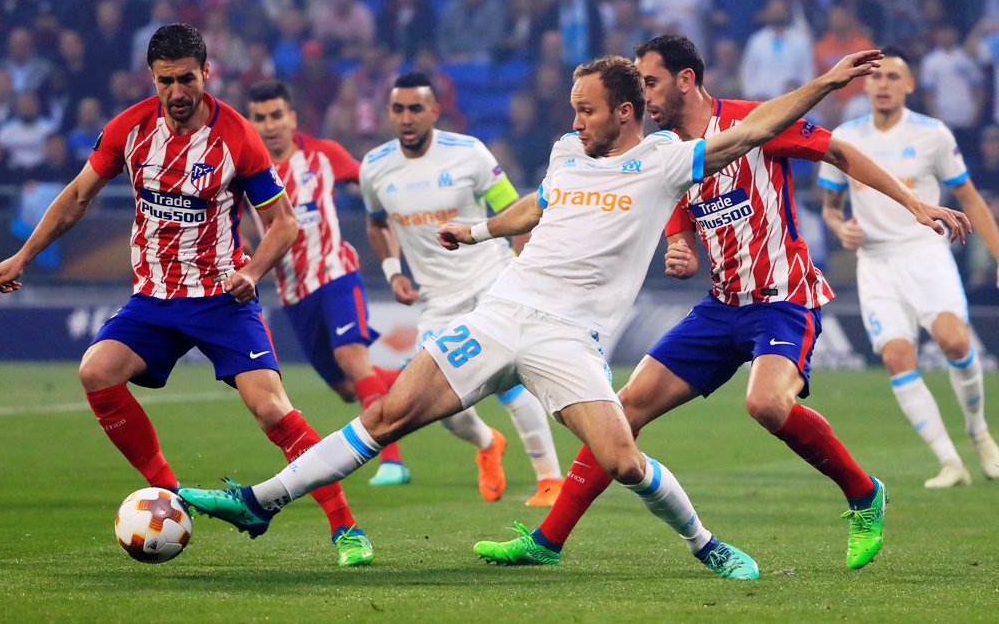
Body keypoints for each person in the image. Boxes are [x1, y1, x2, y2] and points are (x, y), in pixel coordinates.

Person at [177, 49, 899, 578]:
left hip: (569, 339)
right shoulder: (564, 151)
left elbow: (752, 131)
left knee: (623, 460)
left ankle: (704, 543)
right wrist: (480, 231)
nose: (574, 121)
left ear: (623, 113)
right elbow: (541, 204)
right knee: (386, 414)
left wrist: (825, 83)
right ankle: (261, 500)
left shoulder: (664, 161)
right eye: (573, 108)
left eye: (587, 110)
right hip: (502, 311)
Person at [473, 35, 969, 572]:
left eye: (651, 82)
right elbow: (677, 209)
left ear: (685, 79)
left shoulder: (751, 122)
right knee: (623, 410)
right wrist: (681, 243)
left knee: (767, 404)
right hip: (721, 306)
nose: (643, 95)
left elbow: (838, 151)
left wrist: (914, 203)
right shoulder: (664, 150)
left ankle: (864, 493)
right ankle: (547, 541)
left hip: (783, 300)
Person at [0, 24, 373, 568]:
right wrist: (23, 256)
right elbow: (76, 197)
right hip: (154, 299)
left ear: (206, 72)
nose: (177, 91)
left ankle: (345, 527)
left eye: (187, 78)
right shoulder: (128, 129)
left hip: (221, 298)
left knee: (271, 409)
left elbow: (284, 223)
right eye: (166, 81)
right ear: (152, 77)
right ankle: (170, 495)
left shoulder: (237, 136)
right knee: (97, 371)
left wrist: (253, 270)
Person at [359, 72, 564, 505]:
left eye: (416, 108)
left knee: (510, 382)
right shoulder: (374, 168)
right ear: (389, 114)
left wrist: (525, 271)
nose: (407, 118)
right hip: (438, 302)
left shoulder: (469, 153)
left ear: (434, 112)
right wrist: (394, 271)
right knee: (432, 402)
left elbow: (517, 211)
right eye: (398, 109)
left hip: (492, 281)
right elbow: (377, 224)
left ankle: (550, 480)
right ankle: (488, 443)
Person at [820, 48, 999, 488]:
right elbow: (830, 207)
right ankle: (949, 462)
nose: (884, 84)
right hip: (875, 263)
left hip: (925, 252)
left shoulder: (932, 134)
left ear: (910, 85)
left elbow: (970, 198)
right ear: (865, 84)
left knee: (955, 341)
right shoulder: (845, 137)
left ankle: (979, 433)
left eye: (894, 77)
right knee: (897, 357)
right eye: (877, 77)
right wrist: (841, 228)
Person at [245, 79, 410, 486]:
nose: (270, 125)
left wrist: (401, 203)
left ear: (292, 117)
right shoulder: (246, 170)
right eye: (260, 118)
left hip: (337, 274)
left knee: (352, 358)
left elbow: (369, 181)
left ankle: (393, 462)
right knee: (347, 387)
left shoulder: (324, 154)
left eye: (277, 115)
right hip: (293, 294)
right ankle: (418, 376)